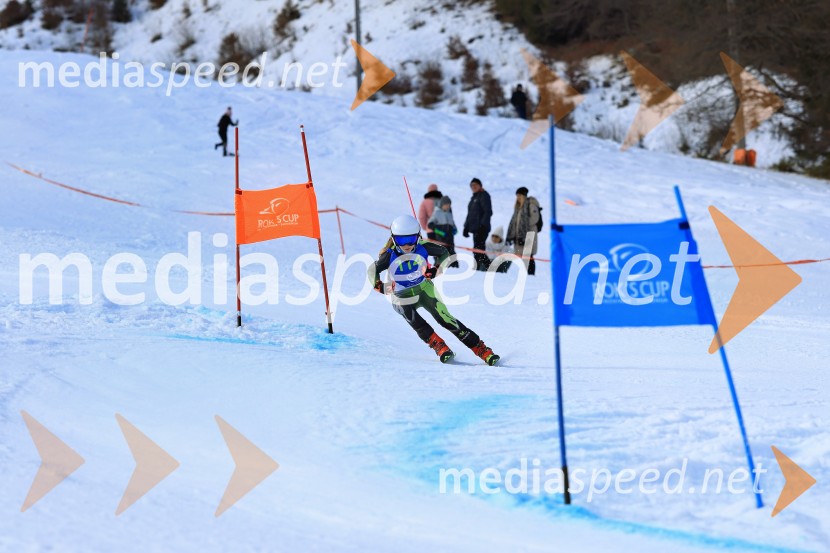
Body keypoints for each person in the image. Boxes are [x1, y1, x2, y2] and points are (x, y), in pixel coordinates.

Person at [368, 215, 500, 365]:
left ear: (417, 236)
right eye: (401, 240)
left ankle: (481, 349)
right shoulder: (389, 255)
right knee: (415, 320)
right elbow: (372, 270)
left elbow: (444, 253)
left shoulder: (423, 246)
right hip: (401, 295)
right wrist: (381, 286)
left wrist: (437, 269)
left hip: (423, 289)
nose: (406, 245)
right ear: (393, 238)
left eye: (410, 239)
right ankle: (439, 346)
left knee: (445, 319)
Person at [506, 186, 541, 275]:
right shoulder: (518, 208)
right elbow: (515, 222)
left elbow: (535, 218)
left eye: (519, 195)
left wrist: (524, 225)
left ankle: (531, 275)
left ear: (524, 195)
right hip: (520, 236)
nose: (518, 197)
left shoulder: (530, 204)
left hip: (529, 235)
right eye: (517, 195)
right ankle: (526, 274)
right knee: (523, 257)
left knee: (529, 256)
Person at [462, 177, 492, 271]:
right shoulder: (474, 197)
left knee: (478, 249)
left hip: (482, 228)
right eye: (472, 185)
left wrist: (483, 225)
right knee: (477, 249)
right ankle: (482, 268)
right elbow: (470, 214)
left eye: (475, 185)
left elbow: (488, 212)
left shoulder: (484, 195)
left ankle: (483, 268)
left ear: (480, 185)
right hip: (475, 228)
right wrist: (466, 227)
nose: (473, 187)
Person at [427, 196, 459, 267]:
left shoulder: (449, 214)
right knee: (441, 256)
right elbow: (430, 225)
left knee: (452, 256)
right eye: (446, 205)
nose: (448, 206)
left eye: (449, 205)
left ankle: (454, 270)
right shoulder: (437, 213)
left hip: (450, 239)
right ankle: (437, 272)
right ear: (442, 204)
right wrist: (441, 233)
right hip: (440, 239)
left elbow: (453, 224)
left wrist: (454, 229)